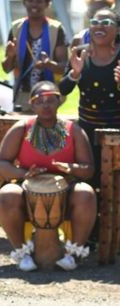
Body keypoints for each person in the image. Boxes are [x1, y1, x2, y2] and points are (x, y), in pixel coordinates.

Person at [0, 81, 95, 271]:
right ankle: (22, 253)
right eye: (40, 101)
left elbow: (89, 169)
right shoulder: (21, 128)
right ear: (32, 105)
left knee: (86, 193)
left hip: (66, 189)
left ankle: (73, 254)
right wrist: (24, 174)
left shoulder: (74, 130)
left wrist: (70, 168)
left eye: (51, 100)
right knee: (6, 195)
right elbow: (2, 164)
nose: (46, 105)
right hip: (28, 188)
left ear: (59, 101)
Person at [61, 8, 120, 191]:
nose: (99, 26)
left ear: (118, 30)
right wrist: (75, 73)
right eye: (94, 22)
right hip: (86, 133)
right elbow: (63, 89)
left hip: (117, 134)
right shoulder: (80, 54)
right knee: (89, 187)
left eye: (106, 23)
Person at [1, 0, 67, 113]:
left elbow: (64, 67)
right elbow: (6, 69)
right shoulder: (16, 28)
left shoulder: (56, 29)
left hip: (48, 96)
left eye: (39, 1)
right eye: (30, 1)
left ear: (47, 4)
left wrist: (48, 64)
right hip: (22, 96)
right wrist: (10, 56)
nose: (34, 5)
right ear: (24, 3)